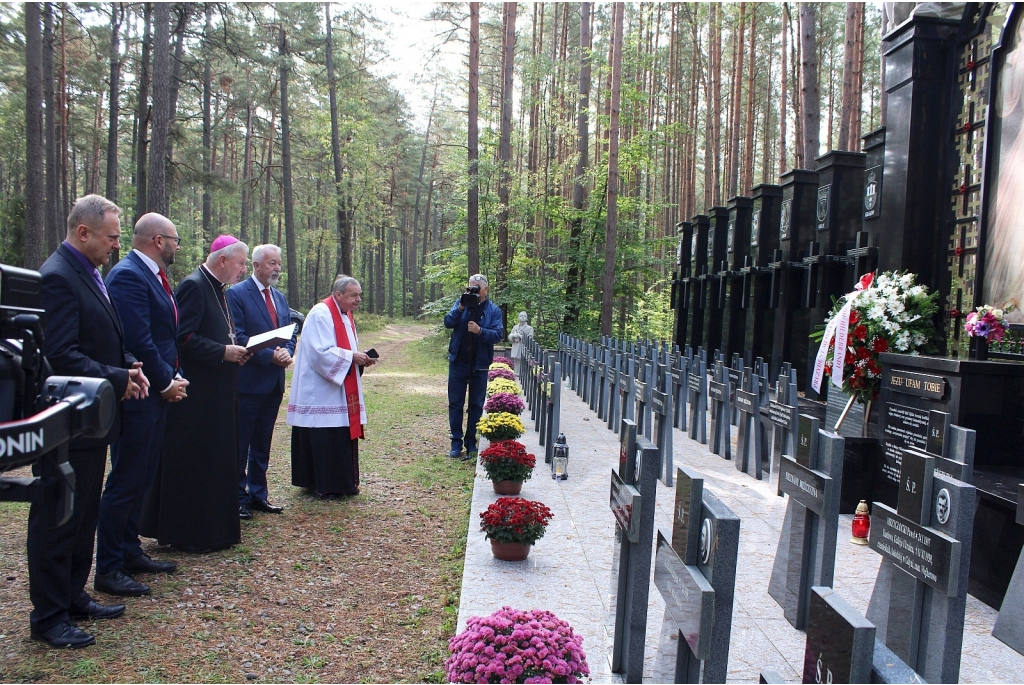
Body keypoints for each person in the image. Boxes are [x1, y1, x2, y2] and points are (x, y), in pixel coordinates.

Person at [31, 194, 149, 648]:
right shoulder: (58, 278)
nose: (116, 246)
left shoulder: (89, 274)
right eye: (112, 237)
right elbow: (60, 354)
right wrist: (117, 377)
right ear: (84, 232)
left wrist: (127, 364)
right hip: (65, 420)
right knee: (58, 517)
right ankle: (48, 615)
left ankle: (72, 596)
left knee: (81, 516)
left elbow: (99, 338)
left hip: (90, 419)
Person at [95, 213, 188, 598]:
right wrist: (165, 381)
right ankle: (109, 566)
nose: (177, 246)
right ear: (156, 239)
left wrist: (173, 374)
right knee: (126, 479)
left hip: (156, 388)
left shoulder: (152, 275)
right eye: (174, 239)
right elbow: (140, 337)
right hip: (140, 393)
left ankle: (130, 551)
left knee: (142, 477)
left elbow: (164, 335)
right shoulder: (130, 275)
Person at [141, 235, 250, 552]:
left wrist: (234, 350)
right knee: (196, 461)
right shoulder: (194, 285)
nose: (243, 269)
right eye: (241, 263)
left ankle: (214, 530)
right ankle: (190, 532)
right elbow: (182, 338)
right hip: (197, 395)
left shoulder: (219, 289)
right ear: (223, 260)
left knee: (216, 459)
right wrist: (222, 352)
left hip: (217, 391)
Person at [287, 276, 377, 497]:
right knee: (325, 436)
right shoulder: (321, 313)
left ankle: (341, 482)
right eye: (353, 295)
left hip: (338, 387)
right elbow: (320, 353)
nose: (358, 300)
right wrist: (351, 357)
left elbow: (341, 349)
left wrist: (360, 357)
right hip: (320, 390)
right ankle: (325, 484)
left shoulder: (345, 315)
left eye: (359, 295)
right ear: (338, 294)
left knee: (338, 434)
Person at [226, 244, 296, 519]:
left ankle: (258, 494)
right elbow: (238, 336)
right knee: (241, 441)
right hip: (249, 380)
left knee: (263, 441)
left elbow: (289, 331)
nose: (277, 268)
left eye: (278, 263)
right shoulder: (237, 294)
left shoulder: (279, 298)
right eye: (271, 263)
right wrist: (269, 357)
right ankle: (238, 497)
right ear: (256, 265)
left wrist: (287, 351)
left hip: (274, 382)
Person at [444, 274, 503, 460]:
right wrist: (461, 306)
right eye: (470, 287)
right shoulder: (461, 303)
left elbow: (498, 333)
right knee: (455, 403)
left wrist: (480, 331)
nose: (473, 290)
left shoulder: (493, 310)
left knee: (476, 404)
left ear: (486, 289)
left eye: (477, 287)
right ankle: (456, 441)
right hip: (459, 361)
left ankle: (471, 442)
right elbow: (448, 322)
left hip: (480, 363)